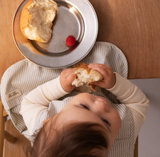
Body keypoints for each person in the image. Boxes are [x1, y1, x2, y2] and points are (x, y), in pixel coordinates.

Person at [20, 63, 149, 157]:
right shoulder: (125, 132)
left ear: (48, 121)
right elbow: (139, 103)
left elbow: (30, 103)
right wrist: (115, 83)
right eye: (105, 122)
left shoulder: (45, 129)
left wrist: (60, 86)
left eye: (84, 107)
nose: (101, 105)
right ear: (110, 147)